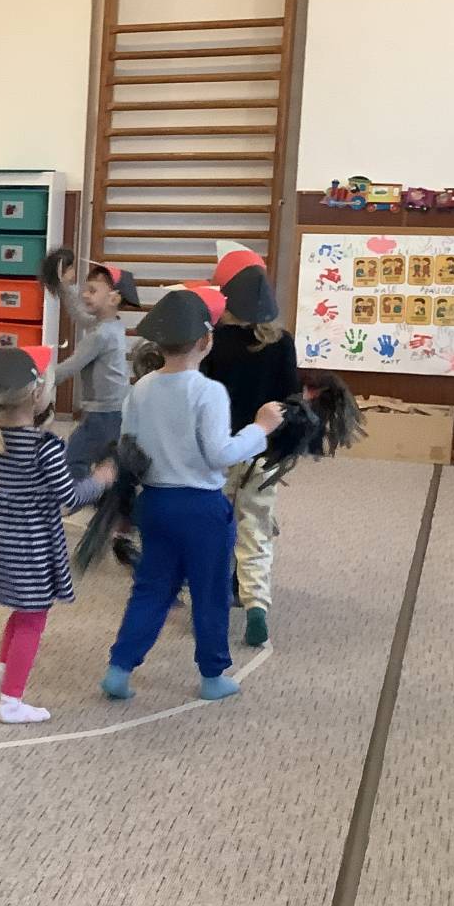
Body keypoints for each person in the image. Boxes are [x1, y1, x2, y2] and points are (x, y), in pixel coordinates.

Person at [100, 287, 284, 703]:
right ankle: (213, 675)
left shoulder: (141, 388)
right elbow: (221, 454)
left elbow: (129, 447)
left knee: (151, 589)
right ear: (206, 340)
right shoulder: (208, 391)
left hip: (155, 504)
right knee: (210, 592)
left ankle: (119, 668)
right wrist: (261, 428)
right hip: (202, 509)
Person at [0, 347, 114, 723]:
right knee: (33, 617)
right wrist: (99, 480)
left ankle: (4, 668)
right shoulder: (46, 447)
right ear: (37, 394)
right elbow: (69, 498)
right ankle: (11, 701)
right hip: (31, 542)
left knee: (22, 609)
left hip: (3, 538)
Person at [199, 243, 298, 649]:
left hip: (219, 451)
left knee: (215, 527)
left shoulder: (213, 342)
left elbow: (202, 398)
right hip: (262, 452)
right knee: (256, 529)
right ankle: (256, 605)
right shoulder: (282, 342)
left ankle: (215, 599)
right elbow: (290, 401)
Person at [53, 257, 142, 480]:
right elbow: (78, 314)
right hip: (113, 409)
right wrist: (65, 287)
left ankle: (76, 494)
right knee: (107, 458)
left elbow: (71, 366)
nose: (84, 295)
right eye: (85, 289)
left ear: (114, 299)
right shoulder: (111, 325)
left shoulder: (100, 335)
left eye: (92, 291)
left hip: (103, 413)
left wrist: (38, 381)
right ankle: (110, 492)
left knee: (74, 458)